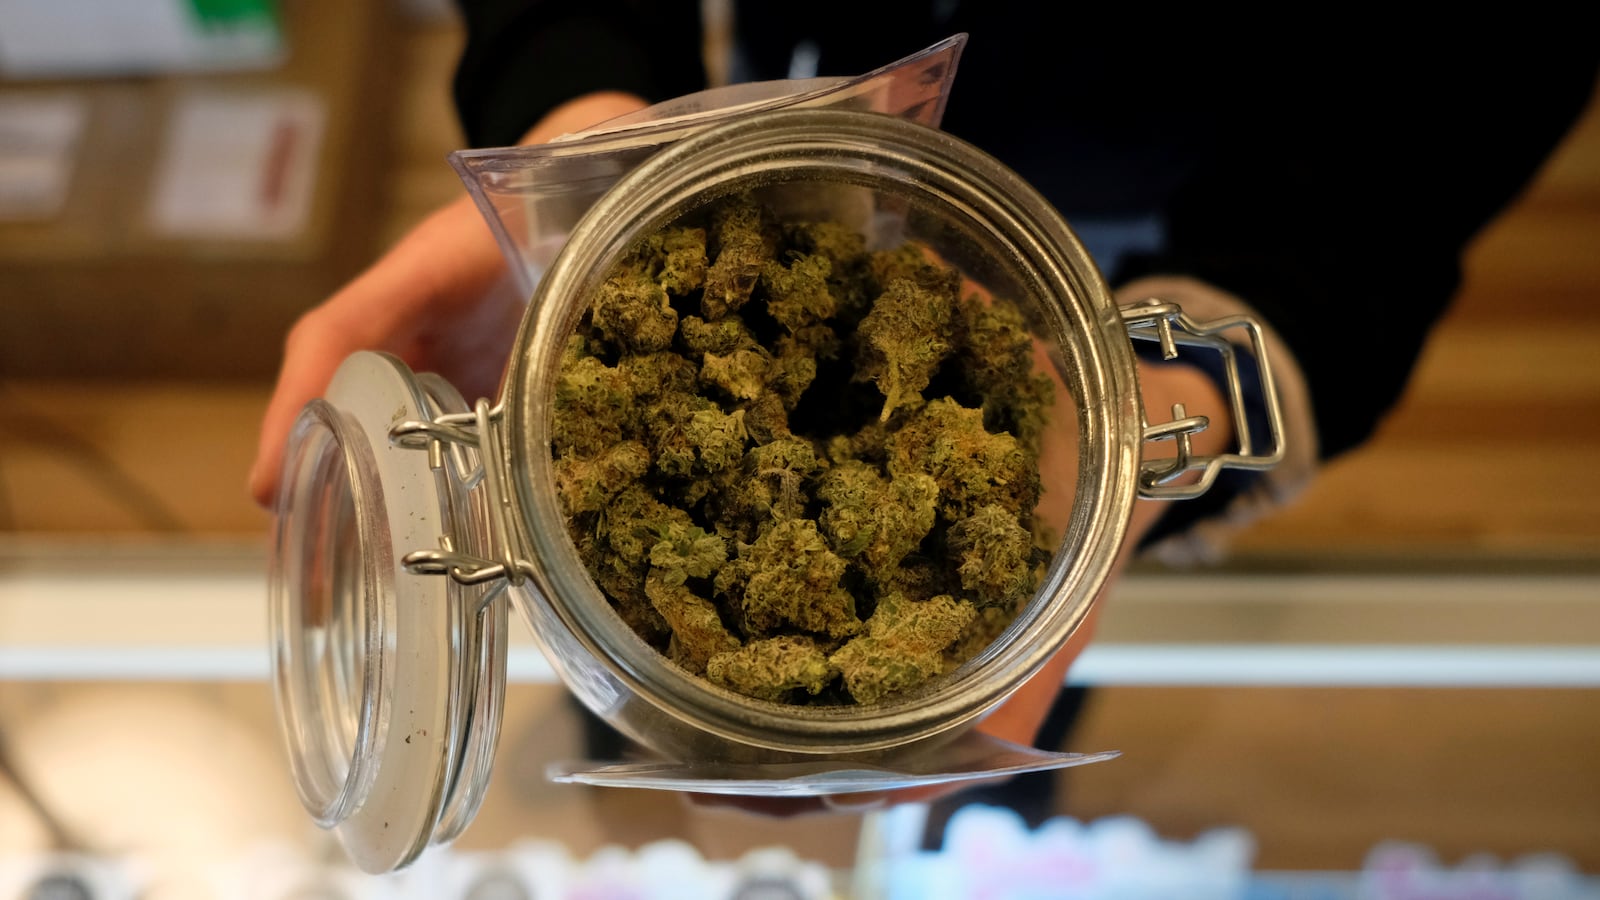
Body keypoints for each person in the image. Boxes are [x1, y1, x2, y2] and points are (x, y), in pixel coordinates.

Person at [247, 3, 1598, 819]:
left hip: (1175, 160)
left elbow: (1468, 92)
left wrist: (1179, 390)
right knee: (653, 676)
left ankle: (993, 809)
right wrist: (594, 121)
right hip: (809, 100)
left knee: (1016, 684)